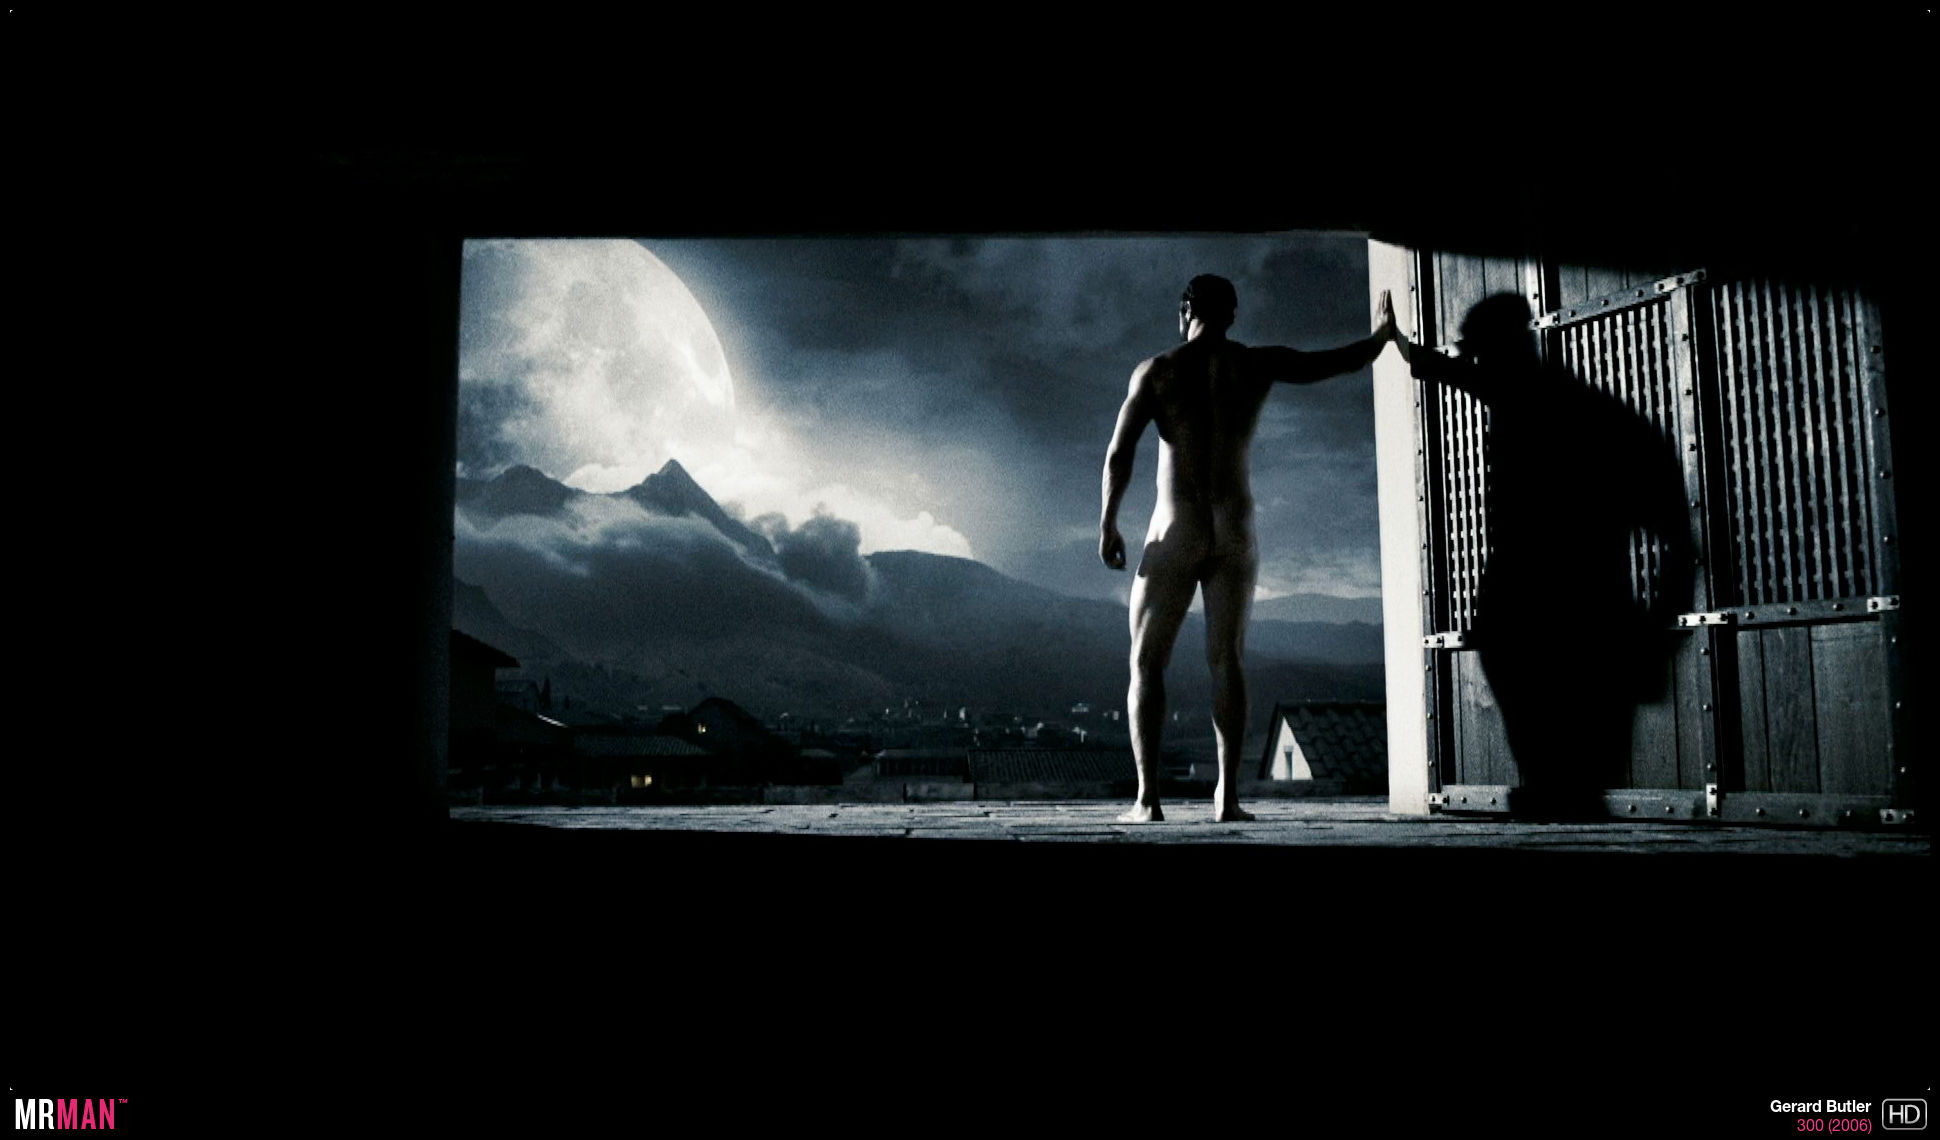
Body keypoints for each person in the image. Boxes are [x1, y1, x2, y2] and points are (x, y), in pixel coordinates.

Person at [1100, 275, 1395, 822]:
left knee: (1146, 661)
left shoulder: (1157, 371)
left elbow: (1120, 454)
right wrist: (1380, 337)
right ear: (1231, 315)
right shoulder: (1257, 364)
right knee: (1227, 659)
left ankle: (1147, 801)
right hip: (1235, 528)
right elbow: (1333, 362)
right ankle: (1228, 798)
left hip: (1178, 524)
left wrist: (1108, 524)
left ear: (1185, 310)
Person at [1388, 293, 1692, 817]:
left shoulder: (1568, 411)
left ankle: (1559, 791)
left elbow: (1675, 535)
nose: (1474, 363)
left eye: (1479, 352)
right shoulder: (1558, 401)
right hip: (1567, 605)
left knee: (1560, 758)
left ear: (1507, 347)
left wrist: (1656, 631)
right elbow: (1446, 370)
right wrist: (1396, 340)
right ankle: (1560, 791)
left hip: (1560, 606)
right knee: (1564, 765)